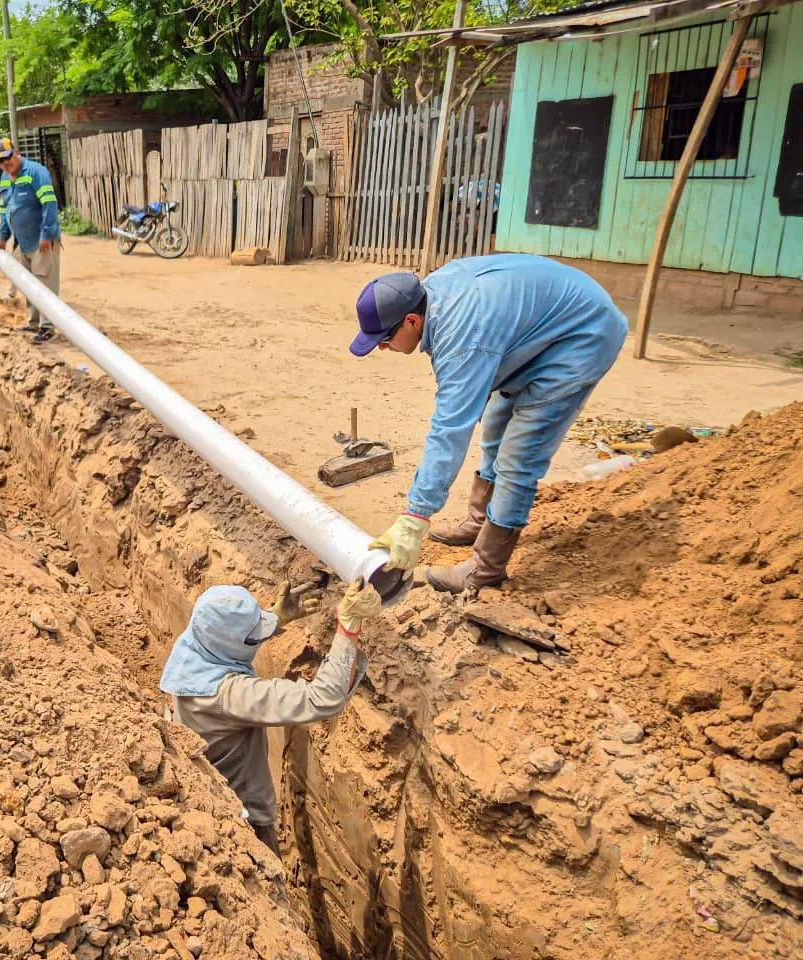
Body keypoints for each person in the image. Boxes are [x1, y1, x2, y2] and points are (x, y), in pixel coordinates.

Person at [351, 255, 628, 593]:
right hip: (547, 328)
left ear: (411, 321)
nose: (381, 347)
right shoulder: (435, 297)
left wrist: (415, 517)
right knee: (497, 421)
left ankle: (486, 569)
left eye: (384, 338)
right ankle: (480, 520)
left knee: (520, 454)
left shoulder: (464, 336)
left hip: (583, 335)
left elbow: (449, 430)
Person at [160, 579, 381, 854]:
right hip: (242, 826)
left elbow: (224, 635)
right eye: (253, 636)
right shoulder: (230, 695)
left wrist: (275, 619)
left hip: (208, 802)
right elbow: (323, 698)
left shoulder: (194, 648)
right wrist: (349, 626)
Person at [0, 138, 60, 342]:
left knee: (45, 283)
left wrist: (46, 234)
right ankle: (34, 323)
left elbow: (49, 203)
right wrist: (2, 236)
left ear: (17, 153)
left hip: (42, 242)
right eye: (1, 161)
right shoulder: (5, 178)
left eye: (8, 157)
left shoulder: (35, 172)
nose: (6, 163)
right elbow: (5, 209)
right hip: (22, 242)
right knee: (29, 284)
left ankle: (47, 328)